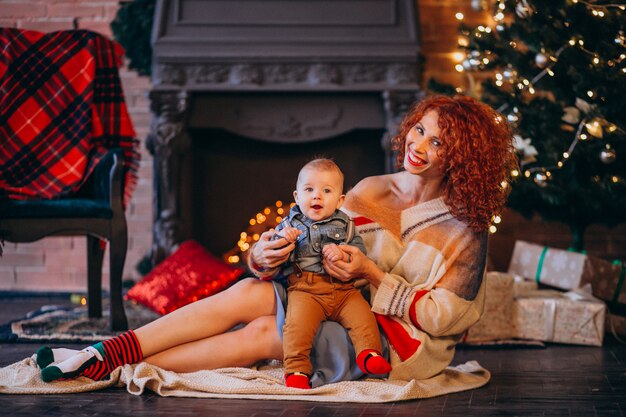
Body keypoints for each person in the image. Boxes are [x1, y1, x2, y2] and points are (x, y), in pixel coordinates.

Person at [36, 94, 517, 388]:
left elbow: (447, 319)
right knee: (249, 291)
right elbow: (315, 241)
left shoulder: (464, 229)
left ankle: (115, 368)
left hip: (395, 346)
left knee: (268, 334)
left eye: (438, 143)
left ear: (462, 158)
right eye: (420, 130)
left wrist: (374, 274)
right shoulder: (371, 188)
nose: (419, 145)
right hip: (331, 299)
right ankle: (114, 354)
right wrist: (263, 256)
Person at [261, 158, 391, 389]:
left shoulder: (347, 225)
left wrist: (342, 253)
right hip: (306, 290)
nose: (316, 196)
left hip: (343, 290)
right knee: (297, 327)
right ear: (297, 196)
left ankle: (369, 355)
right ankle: (297, 370)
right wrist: (283, 241)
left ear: (340, 200)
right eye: (309, 190)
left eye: (326, 190)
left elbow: (359, 254)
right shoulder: (289, 224)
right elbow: (273, 257)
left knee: (363, 317)